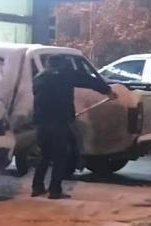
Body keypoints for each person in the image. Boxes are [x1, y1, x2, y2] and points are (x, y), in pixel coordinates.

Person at [31, 55, 113, 199]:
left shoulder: (39, 77)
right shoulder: (65, 74)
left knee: (44, 154)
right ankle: (55, 190)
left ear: (48, 64)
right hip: (59, 120)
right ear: (62, 64)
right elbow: (88, 80)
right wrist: (107, 91)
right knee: (60, 156)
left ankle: (37, 187)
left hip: (41, 121)